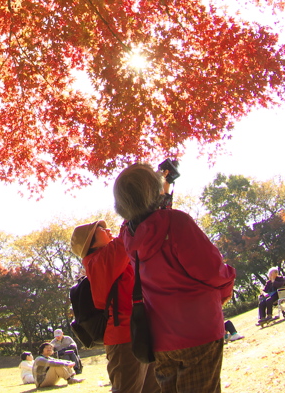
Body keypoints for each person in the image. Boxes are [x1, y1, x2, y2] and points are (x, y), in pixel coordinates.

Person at [115, 162, 236, 393]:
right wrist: (228, 280)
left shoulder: (128, 236)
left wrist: (164, 186)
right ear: (154, 191)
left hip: (160, 340)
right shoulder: (177, 222)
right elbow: (211, 270)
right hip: (198, 331)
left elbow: (149, 221)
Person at [72, 219, 159, 393]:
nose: (108, 229)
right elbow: (128, 237)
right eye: (101, 229)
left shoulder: (113, 259)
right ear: (90, 242)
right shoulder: (99, 261)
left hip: (140, 331)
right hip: (124, 337)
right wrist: (132, 211)